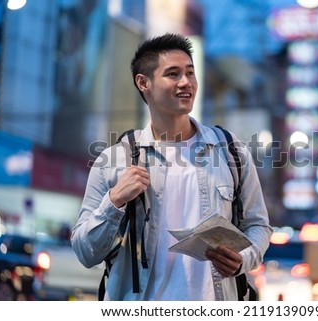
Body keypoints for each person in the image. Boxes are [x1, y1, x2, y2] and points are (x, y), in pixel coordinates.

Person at [71, 33, 272, 300]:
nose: (186, 82)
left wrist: (242, 258)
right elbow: (85, 252)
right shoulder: (114, 160)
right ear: (143, 83)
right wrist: (115, 200)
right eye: (173, 74)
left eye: (190, 73)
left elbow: (259, 225)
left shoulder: (231, 152)